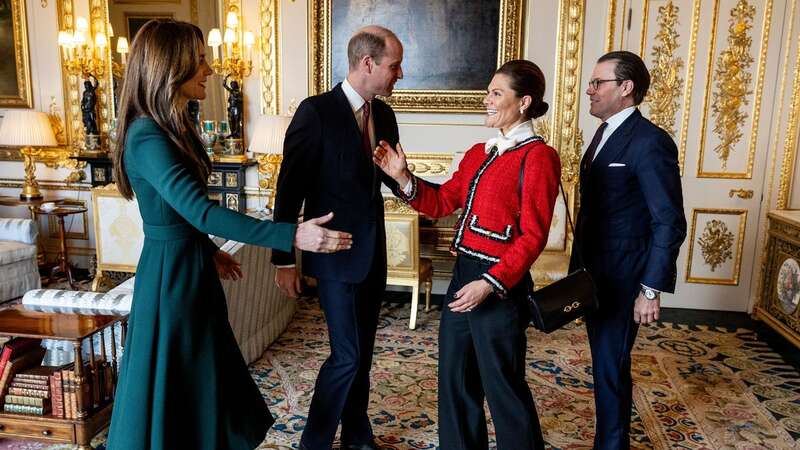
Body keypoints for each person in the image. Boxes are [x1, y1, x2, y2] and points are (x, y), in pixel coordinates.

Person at [107, 19, 352, 450]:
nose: (210, 69)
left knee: (203, 375)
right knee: (181, 378)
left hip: (190, 266)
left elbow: (181, 212)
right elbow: (200, 211)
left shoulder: (173, 126)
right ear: (171, 66)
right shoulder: (146, 135)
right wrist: (291, 235)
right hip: (171, 280)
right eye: (200, 60)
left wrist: (208, 251)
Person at [374, 59, 560, 450]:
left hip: (501, 285)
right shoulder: (479, 152)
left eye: (496, 93)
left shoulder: (539, 157)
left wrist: (490, 284)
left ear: (524, 101)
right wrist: (402, 176)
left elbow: (533, 235)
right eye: (487, 92)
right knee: (456, 380)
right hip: (463, 277)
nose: (486, 100)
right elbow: (442, 201)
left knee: (503, 386)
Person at [271, 25, 404, 450]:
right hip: (332, 254)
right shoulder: (316, 112)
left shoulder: (383, 115)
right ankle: (315, 441)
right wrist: (283, 259)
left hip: (373, 254)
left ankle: (357, 435)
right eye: (394, 66)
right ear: (368, 63)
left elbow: (391, 177)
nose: (399, 74)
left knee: (361, 355)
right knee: (346, 354)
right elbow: (288, 189)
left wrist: (408, 182)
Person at [570, 50, 686, 449]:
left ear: (625, 88)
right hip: (593, 273)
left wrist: (650, 288)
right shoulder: (603, 133)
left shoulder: (651, 142)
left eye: (597, 83)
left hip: (624, 277)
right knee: (605, 364)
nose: (589, 90)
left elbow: (669, 220)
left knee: (610, 367)